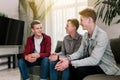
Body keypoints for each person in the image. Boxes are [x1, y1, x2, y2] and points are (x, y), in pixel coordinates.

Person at [55, 8, 120, 80]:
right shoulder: (86, 35)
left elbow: (94, 60)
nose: (80, 23)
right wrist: (67, 59)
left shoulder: (102, 35)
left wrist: (71, 62)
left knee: (80, 70)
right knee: (73, 67)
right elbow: (80, 53)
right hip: (96, 64)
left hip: (105, 66)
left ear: (89, 20)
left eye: (81, 20)